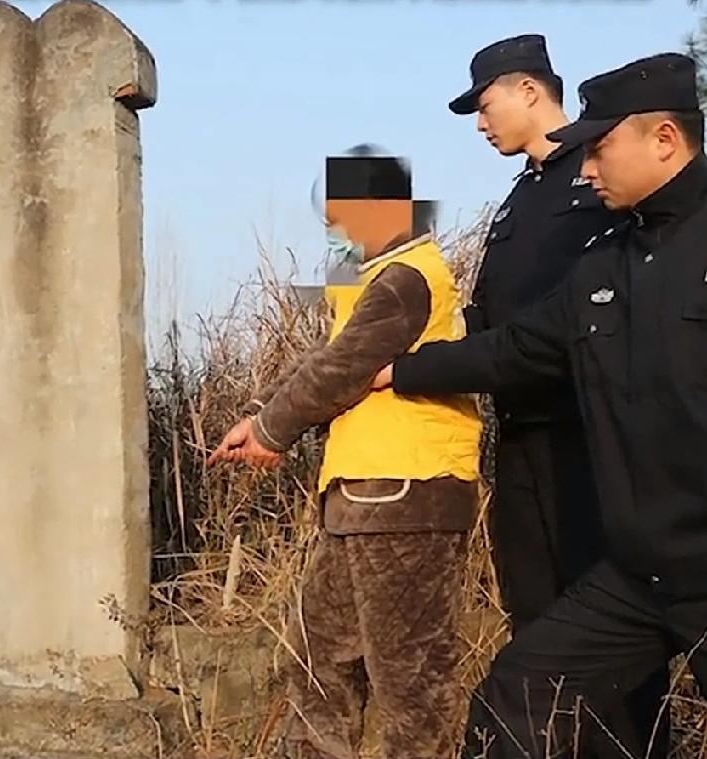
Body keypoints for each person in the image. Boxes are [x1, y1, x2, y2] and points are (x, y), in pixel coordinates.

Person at [374, 53, 706, 758]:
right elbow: (513, 348)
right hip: (641, 574)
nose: (588, 167)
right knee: (520, 692)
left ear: (664, 140)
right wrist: (400, 370)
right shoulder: (604, 264)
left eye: (601, 149)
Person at [210, 149, 482, 758]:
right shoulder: (371, 278)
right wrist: (258, 415)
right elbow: (325, 357)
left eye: (342, 216)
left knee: (410, 681)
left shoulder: (408, 278)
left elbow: (341, 370)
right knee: (319, 660)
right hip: (363, 497)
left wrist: (272, 432)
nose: (335, 230)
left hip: (410, 494)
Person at [446, 34, 669, 755]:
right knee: (536, 620)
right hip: (520, 441)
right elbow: (491, 317)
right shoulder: (520, 197)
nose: (481, 125)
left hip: (590, 437)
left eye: (485, 106)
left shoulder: (603, 176)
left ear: (529, 91)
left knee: (611, 633)